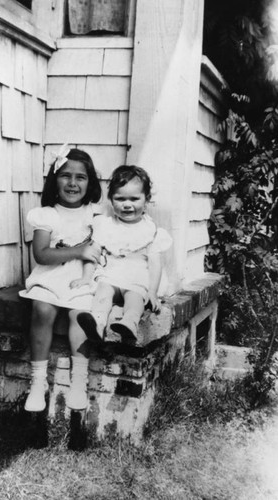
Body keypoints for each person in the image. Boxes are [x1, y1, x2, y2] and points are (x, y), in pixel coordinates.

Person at [19, 145, 102, 412]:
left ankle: (79, 381)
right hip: (52, 273)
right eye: (66, 175)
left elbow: (105, 244)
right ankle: (38, 380)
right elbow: (42, 254)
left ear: (90, 183)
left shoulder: (95, 214)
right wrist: (79, 249)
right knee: (42, 308)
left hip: (84, 274)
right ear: (54, 179)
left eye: (81, 177)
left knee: (81, 314)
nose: (73, 182)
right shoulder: (47, 214)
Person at [77, 165, 172, 345]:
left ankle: (130, 322)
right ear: (112, 200)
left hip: (137, 277)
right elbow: (94, 253)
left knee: (135, 296)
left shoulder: (150, 230)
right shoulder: (106, 225)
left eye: (134, 199)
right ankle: (97, 323)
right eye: (120, 199)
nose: (127, 205)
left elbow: (155, 263)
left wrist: (152, 291)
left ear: (146, 200)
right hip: (111, 274)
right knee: (103, 292)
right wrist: (86, 277)